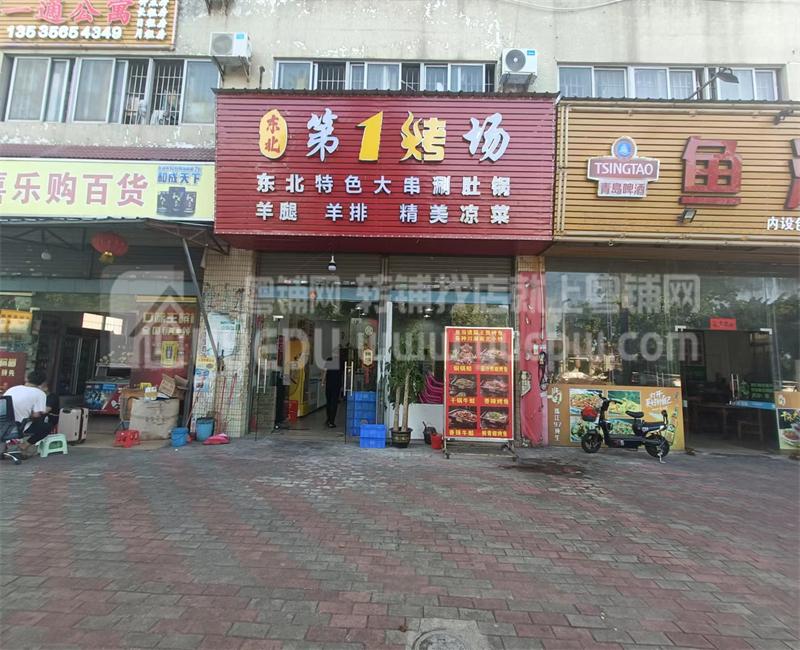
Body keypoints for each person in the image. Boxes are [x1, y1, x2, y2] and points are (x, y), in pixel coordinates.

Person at [3, 370, 51, 457]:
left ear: (27, 378)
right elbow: (36, 415)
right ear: (42, 382)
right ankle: (24, 446)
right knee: (46, 426)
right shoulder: (40, 393)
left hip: (2, 424)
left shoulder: (13, 389)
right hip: (18, 426)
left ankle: (4, 448)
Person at [323, 350, 343, 428]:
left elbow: (325, 372)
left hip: (329, 385)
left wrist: (322, 381)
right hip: (336, 385)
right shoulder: (340, 362)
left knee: (328, 402)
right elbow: (341, 374)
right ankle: (331, 422)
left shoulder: (328, 360)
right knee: (334, 403)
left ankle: (328, 419)